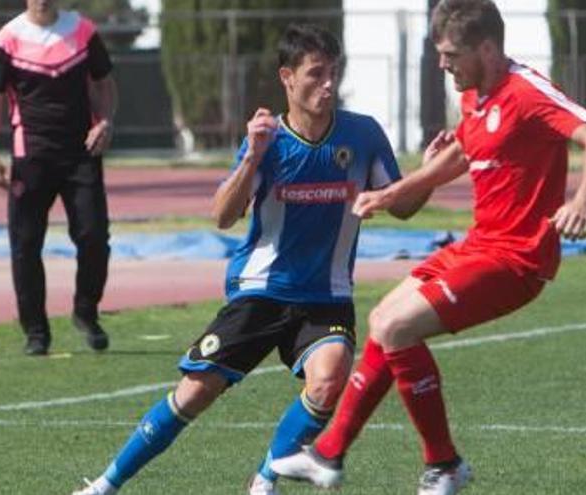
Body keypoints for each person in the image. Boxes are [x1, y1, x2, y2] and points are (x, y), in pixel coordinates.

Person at [271, 1, 586, 494]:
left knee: (396, 326)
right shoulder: (475, 94)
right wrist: (394, 193)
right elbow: (460, 153)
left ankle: (443, 464)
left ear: (488, 48)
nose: (442, 64)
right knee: (383, 319)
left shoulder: (526, 91)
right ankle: (328, 455)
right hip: (478, 246)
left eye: (451, 54)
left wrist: (584, 199)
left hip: (517, 258)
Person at [72, 23, 428, 495]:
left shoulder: (362, 134)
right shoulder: (270, 140)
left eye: (333, 73)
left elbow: (401, 206)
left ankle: (262, 482)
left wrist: (425, 176)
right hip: (260, 292)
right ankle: (104, 485)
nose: (328, 84)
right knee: (195, 394)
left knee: (330, 376)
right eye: (315, 74)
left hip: (327, 296)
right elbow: (222, 215)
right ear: (287, 78)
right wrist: (251, 157)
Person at [0, 0, 118, 356]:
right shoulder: (8, 38)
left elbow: (104, 83)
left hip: (81, 154)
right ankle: (36, 332)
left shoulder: (83, 31)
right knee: (25, 245)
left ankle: (86, 310)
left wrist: (104, 121)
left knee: (94, 237)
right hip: (31, 157)